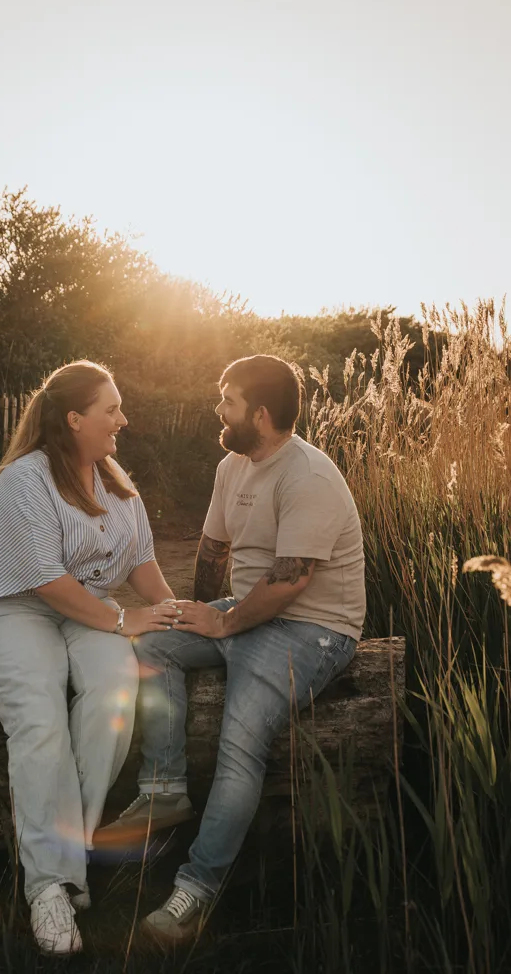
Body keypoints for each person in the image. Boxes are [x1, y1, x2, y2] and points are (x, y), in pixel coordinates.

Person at [96, 354, 366, 944]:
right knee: (154, 642)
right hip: (249, 612)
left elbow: (292, 581)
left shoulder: (309, 477)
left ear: (261, 414)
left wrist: (225, 627)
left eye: (228, 400)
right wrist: (197, 614)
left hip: (313, 629)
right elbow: (214, 550)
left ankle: (196, 890)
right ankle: (163, 790)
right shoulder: (232, 466)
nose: (218, 409)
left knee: (239, 741)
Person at [0, 360, 180, 956]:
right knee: (39, 716)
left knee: (113, 692)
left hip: (86, 609)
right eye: (111, 409)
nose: (122, 420)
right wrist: (123, 619)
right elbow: (46, 582)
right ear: (73, 418)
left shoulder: (113, 479)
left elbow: (139, 562)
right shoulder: (23, 480)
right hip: (10, 607)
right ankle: (48, 886)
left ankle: (72, 852)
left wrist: (178, 612)